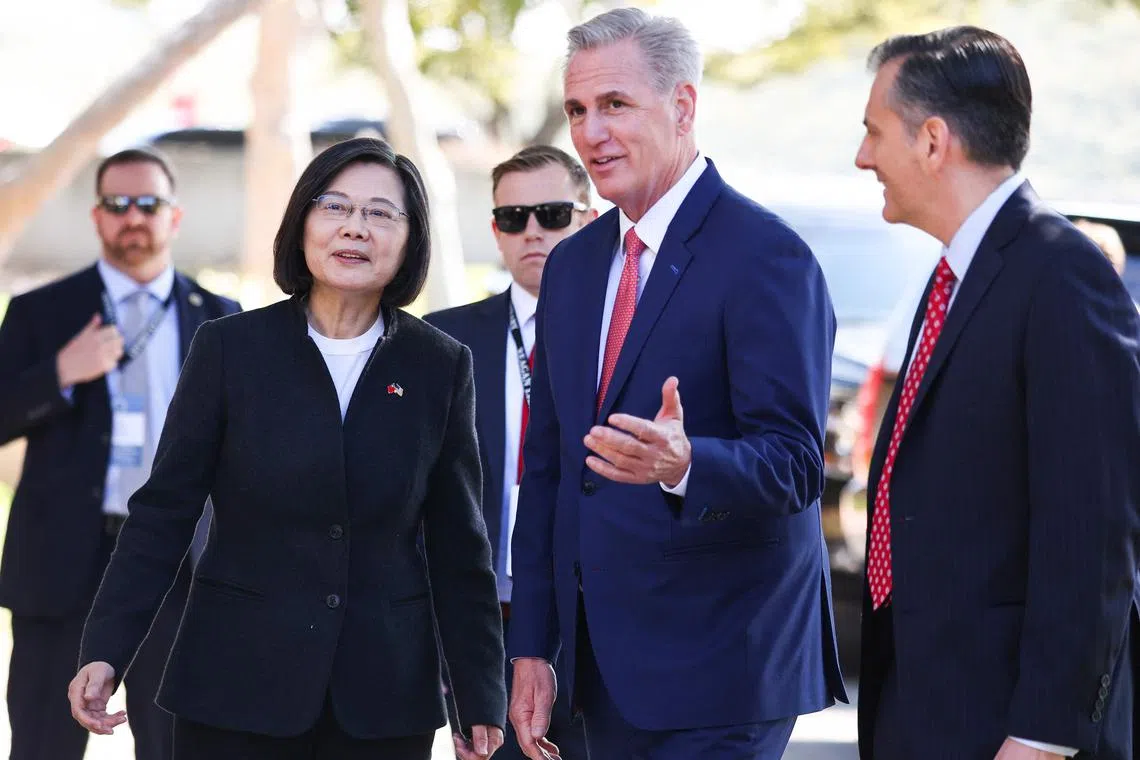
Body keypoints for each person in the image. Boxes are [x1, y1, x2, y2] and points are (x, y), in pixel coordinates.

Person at [67, 137, 507, 760]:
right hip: (234, 685)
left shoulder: (440, 365)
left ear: (411, 240)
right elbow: (164, 512)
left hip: (381, 700)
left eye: (381, 213)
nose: (356, 227)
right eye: (335, 207)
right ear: (302, 224)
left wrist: (478, 691)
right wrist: (108, 648)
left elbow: (459, 543)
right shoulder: (230, 349)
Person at [506, 8, 847, 760]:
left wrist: (686, 462)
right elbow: (549, 468)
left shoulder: (768, 257)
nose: (590, 132)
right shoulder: (572, 266)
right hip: (603, 669)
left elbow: (795, 464)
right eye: (577, 110)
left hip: (726, 668)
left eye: (615, 105)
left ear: (683, 105)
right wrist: (531, 645)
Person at [854, 27, 1140, 760]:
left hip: (1007, 729)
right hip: (925, 707)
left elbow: (1094, 531)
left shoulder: (1059, 274)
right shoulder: (959, 272)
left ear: (933, 140)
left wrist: (1044, 735)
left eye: (874, 132)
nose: (863, 157)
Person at [0, 146, 239, 760]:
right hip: (61, 566)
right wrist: (58, 372)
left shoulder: (221, 319)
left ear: (175, 217)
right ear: (97, 216)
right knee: (43, 744)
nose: (133, 216)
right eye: (117, 203)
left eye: (148, 203)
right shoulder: (40, 312)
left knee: (176, 748)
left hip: (178, 569)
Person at [425, 144, 596, 760]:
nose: (532, 233)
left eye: (552, 214)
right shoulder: (443, 338)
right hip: (486, 618)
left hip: (595, 616)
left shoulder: (628, 328)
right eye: (511, 218)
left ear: (589, 216)